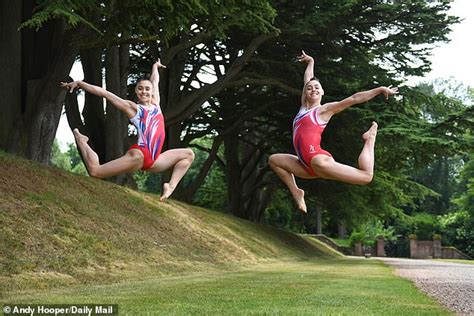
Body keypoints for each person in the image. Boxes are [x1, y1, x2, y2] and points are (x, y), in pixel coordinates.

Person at [268, 51, 398, 213]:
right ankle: (296, 191)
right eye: (309, 88)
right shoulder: (303, 107)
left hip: (319, 160)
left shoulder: (325, 110)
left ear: (322, 92)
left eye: (317, 87)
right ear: (305, 92)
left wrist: (379, 89)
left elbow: (354, 98)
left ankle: (370, 138)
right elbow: (308, 79)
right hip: (305, 166)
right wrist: (311, 62)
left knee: (366, 177)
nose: (313, 89)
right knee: (274, 160)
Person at [61, 59, 195, 201]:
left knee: (188, 155)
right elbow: (105, 94)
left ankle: (170, 186)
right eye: (140, 89)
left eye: (147, 89)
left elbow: (155, 80)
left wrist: (155, 67)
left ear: (152, 92)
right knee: (95, 171)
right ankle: (82, 141)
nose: (144, 91)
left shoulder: (157, 105)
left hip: (155, 159)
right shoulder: (134, 109)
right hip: (140, 155)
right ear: (136, 92)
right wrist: (80, 84)